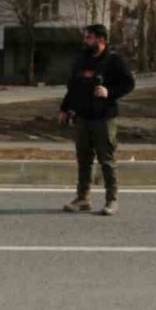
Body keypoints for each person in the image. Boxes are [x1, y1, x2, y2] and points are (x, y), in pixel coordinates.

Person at [58, 24, 135, 216]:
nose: (86, 41)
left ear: (101, 39)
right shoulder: (81, 60)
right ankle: (82, 198)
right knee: (84, 160)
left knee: (106, 160)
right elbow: (73, 87)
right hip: (82, 118)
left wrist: (110, 92)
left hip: (103, 118)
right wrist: (64, 109)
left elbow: (129, 83)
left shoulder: (114, 60)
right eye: (86, 37)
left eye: (89, 38)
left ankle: (112, 200)